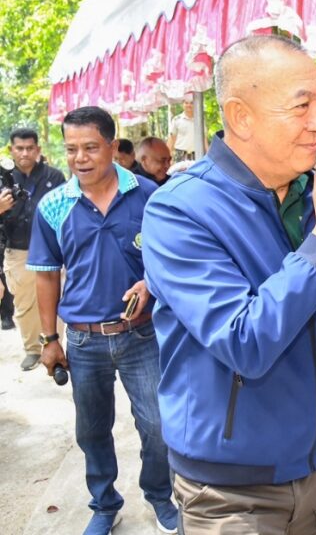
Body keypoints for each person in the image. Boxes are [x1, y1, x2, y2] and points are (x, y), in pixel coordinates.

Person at [141, 35, 316, 533]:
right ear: (241, 117)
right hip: (229, 490)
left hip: (315, 469)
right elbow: (245, 342)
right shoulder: (179, 209)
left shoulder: (314, 196)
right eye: (301, 106)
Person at [29, 107, 175, 534]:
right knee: (92, 430)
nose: (80, 158)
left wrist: (150, 282)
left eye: (91, 147)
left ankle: (160, 496)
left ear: (113, 146)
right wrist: (48, 339)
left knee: (158, 426)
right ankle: (105, 505)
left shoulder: (148, 196)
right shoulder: (53, 205)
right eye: (71, 149)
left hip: (142, 335)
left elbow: (173, 257)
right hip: (83, 341)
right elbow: (46, 275)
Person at [0, 128, 65, 370]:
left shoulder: (54, 176)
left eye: (30, 148)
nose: (25, 153)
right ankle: (32, 349)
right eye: (20, 148)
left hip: (51, 249)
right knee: (24, 303)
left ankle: (55, 346)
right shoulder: (3, 178)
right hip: (17, 249)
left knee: (55, 299)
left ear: (38, 149)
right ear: (11, 150)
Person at [166, 97, 207, 161]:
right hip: (180, 154)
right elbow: (171, 139)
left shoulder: (200, 120)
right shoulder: (177, 120)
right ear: (182, 104)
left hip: (197, 154)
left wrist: (208, 154)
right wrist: (168, 157)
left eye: (191, 103)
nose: (189, 105)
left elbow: (204, 138)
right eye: (186, 103)